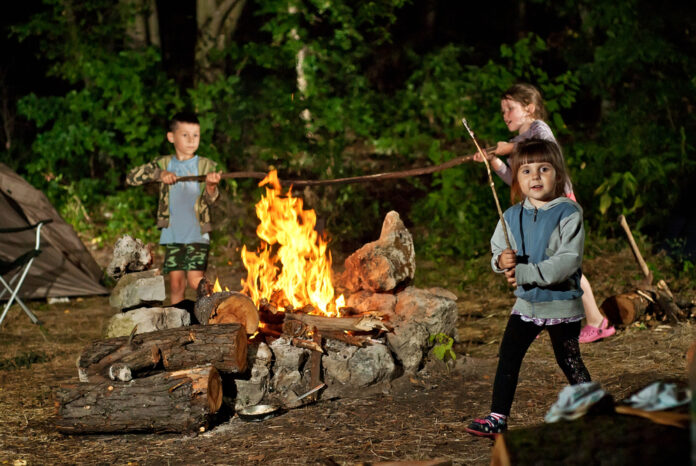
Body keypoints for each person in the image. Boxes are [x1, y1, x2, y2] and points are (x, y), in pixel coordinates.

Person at [465, 139, 592, 437]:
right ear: (517, 178)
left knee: (568, 359)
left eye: (543, 169)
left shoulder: (569, 213)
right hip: (527, 305)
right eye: (526, 171)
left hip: (561, 303)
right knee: (508, 355)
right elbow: (497, 250)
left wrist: (523, 271)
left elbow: (567, 262)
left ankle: (593, 407)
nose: (535, 177)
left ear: (557, 174)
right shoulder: (511, 216)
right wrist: (501, 259)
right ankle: (498, 417)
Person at [474, 83, 614, 343]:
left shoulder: (539, 130)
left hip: (559, 206)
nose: (505, 116)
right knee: (540, 261)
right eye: (502, 111)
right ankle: (542, 318)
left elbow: (545, 151)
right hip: (541, 210)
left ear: (530, 107)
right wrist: (494, 160)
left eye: (510, 109)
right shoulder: (520, 140)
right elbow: (514, 178)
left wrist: (509, 149)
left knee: (566, 268)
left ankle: (597, 321)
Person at [126, 112, 222, 305]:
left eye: (195, 135)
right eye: (185, 135)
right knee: (176, 285)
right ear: (171, 137)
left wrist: (211, 186)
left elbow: (211, 200)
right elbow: (132, 177)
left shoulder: (205, 166)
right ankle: (176, 327)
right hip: (173, 235)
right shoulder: (164, 163)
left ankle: (212, 312)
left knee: (196, 282)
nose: (191, 140)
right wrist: (159, 174)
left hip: (197, 234)